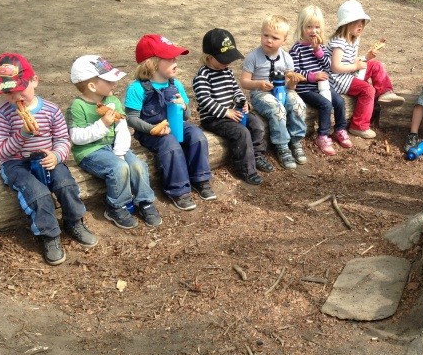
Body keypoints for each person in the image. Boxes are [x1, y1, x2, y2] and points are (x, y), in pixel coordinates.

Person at [0, 53, 98, 266]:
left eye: (20, 88)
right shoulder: (1, 115)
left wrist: (57, 155)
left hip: (46, 157)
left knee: (65, 184)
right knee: (38, 194)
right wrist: (22, 134)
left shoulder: (50, 110)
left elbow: (62, 139)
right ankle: (49, 234)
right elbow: (2, 152)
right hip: (15, 163)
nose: (15, 96)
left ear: (35, 81)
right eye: (8, 92)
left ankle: (74, 221)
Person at [66, 55, 162, 229]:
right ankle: (117, 206)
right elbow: (76, 138)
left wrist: (120, 152)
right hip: (90, 151)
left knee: (138, 165)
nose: (114, 85)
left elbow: (122, 129)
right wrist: (102, 125)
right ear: (92, 86)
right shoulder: (77, 106)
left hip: (114, 146)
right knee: (119, 168)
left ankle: (145, 201)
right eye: (110, 81)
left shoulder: (113, 101)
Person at [124, 34, 216, 211]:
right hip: (150, 131)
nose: (176, 61)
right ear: (153, 63)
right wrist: (152, 129)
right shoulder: (136, 88)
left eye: (175, 57)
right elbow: (132, 118)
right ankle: (178, 189)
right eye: (170, 58)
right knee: (171, 144)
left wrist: (183, 106)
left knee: (197, 136)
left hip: (175, 125)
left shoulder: (176, 84)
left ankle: (201, 178)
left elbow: (187, 116)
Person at [193, 28, 275, 185]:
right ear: (209, 57)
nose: (227, 62)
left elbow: (236, 90)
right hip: (214, 118)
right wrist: (226, 112)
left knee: (257, 124)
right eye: (223, 59)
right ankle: (246, 169)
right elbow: (205, 100)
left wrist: (243, 103)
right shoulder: (202, 77)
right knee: (241, 133)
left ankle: (257, 155)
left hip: (233, 112)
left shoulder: (227, 72)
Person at [327, 0, 405, 140]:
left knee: (375, 65)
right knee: (368, 89)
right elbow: (335, 67)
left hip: (349, 72)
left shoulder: (353, 39)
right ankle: (358, 126)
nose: (361, 25)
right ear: (346, 23)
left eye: (362, 22)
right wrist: (356, 66)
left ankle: (386, 93)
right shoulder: (339, 42)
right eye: (357, 22)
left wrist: (366, 58)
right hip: (338, 79)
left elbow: (351, 60)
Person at [240, 15, 307, 169]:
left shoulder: (286, 58)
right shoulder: (253, 57)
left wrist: (292, 83)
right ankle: (282, 145)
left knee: (298, 104)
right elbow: (244, 81)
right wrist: (258, 83)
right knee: (278, 109)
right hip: (260, 94)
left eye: (274, 38)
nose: (268, 40)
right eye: (265, 35)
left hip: (282, 90)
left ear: (284, 40)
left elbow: (290, 86)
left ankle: (296, 141)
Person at [289, 5, 352, 155]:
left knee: (340, 101)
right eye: (309, 27)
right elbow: (294, 72)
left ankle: (340, 129)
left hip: (323, 86)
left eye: (317, 27)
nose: (313, 31)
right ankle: (323, 135)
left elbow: (328, 66)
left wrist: (318, 52)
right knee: (325, 104)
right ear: (301, 27)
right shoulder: (296, 49)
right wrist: (312, 76)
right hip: (305, 89)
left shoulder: (320, 47)